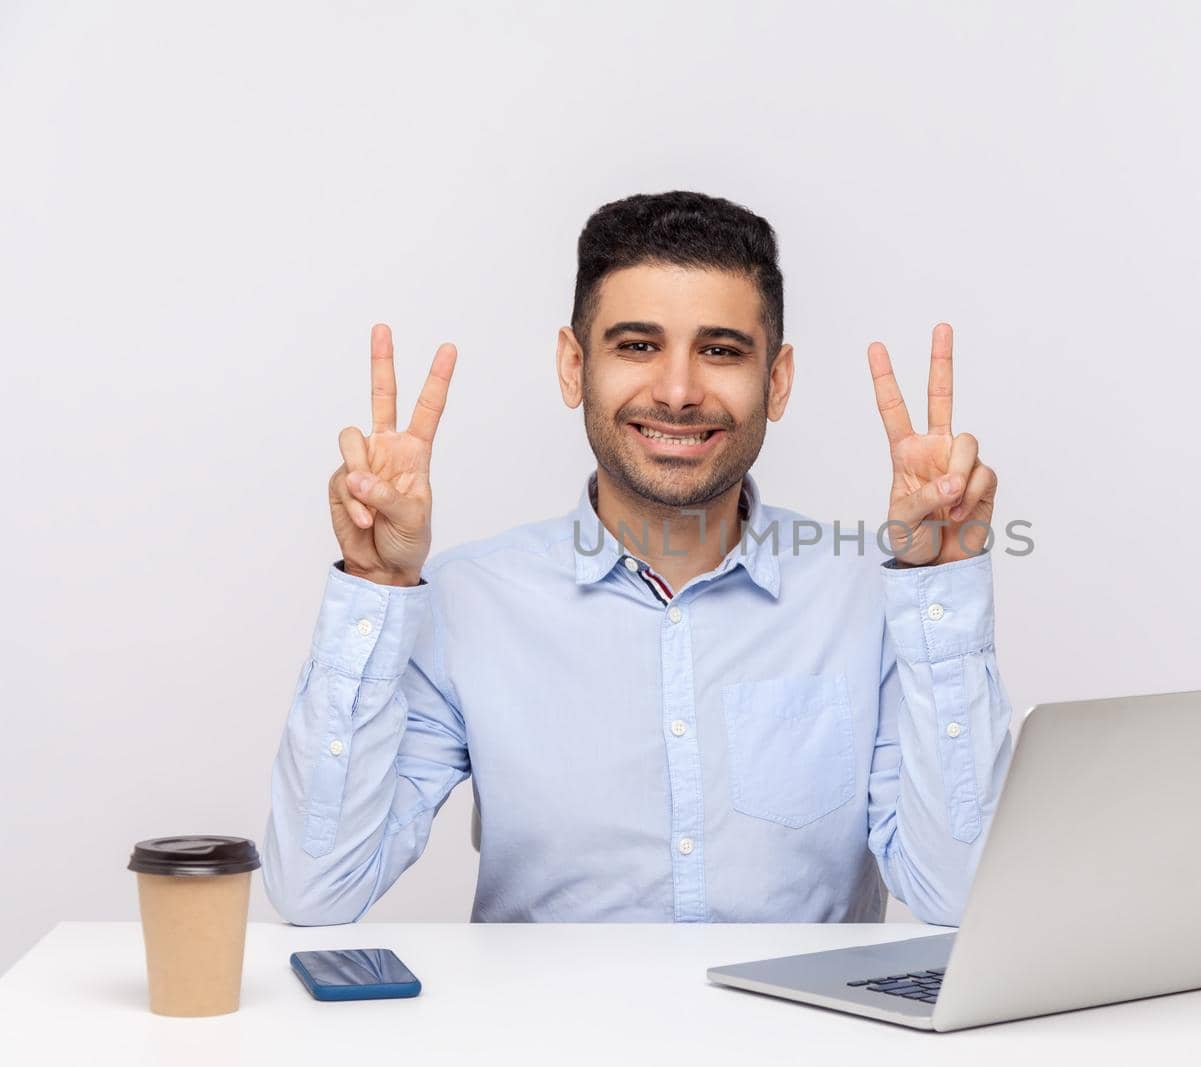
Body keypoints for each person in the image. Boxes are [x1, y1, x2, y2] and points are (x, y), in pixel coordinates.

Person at [262, 190, 1013, 926]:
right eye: (638, 346)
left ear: (775, 381)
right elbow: (317, 887)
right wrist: (377, 584)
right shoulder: (467, 600)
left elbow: (960, 892)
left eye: (720, 350)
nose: (679, 392)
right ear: (573, 365)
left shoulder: (871, 600)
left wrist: (938, 585)